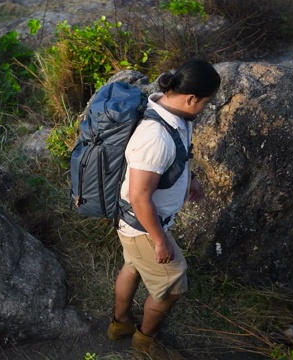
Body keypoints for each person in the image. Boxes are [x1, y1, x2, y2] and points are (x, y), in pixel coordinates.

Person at [106, 59, 221, 358]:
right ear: (192, 98)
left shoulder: (174, 115)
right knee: (173, 286)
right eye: (206, 103)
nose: (206, 108)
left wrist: (190, 179)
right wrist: (160, 240)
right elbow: (140, 196)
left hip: (137, 224)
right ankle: (146, 340)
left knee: (132, 267)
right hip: (142, 226)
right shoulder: (154, 137)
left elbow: (176, 159)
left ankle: (119, 325)